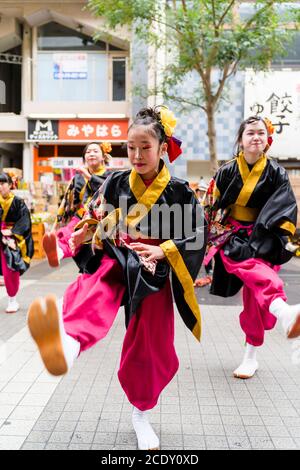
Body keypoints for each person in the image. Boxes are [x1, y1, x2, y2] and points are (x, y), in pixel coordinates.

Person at [27, 106, 206, 450]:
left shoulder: (181, 190)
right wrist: (85, 231)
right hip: (121, 252)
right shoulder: (116, 181)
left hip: (156, 266)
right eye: (131, 147)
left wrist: (164, 249)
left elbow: (198, 233)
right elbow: (99, 216)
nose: (137, 155)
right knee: (96, 286)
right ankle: (67, 345)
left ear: (163, 148)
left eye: (145, 147)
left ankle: (140, 415)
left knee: (150, 347)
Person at [203, 115, 300, 379]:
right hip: (232, 234)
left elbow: (286, 207)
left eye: (260, 133)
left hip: (264, 233)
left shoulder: (276, 172)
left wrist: (276, 236)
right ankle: (283, 310)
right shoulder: (226, 171)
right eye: (250, 133)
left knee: (255, 300)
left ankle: (250, 357)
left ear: (267, 140)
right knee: (244, 262)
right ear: (241, 139)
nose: (256, 137)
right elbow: (211, 205)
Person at [42, 142, 112, 268]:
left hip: (102, 222)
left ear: (103, 157)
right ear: (84, 157)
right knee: (69, 232)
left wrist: (89, 177)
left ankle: (61, 251)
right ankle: (60, 251)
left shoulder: (111, 176)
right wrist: (56, 225)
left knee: (98, 265)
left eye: (95, 151)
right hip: (80, 218)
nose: (91, 154)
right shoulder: (77, 178)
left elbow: (108, 194)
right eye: (88, 152)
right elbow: (67, 203)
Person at [0, 173, 34, 313]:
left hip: (11, 239)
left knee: (11, 269)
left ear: (10, 185)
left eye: (3, 183)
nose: (0, 186)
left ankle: (12, 300)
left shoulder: (18, 201)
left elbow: (25, 220)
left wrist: (13, 231)